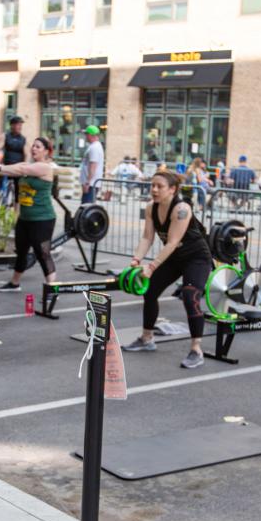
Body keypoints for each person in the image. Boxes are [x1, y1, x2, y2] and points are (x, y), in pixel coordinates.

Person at [122, 170, 214, 369]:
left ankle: (196, 349)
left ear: (172, 189)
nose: (154, 190)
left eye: (159, 186)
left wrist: (152, 266)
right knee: (150, 290)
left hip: (196, 258)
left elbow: (172, 242)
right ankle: (147, 338)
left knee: (190, 296)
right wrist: (136, 260)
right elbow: (148, 237)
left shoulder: (181, 209)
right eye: (152, 185)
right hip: (174, 258)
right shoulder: (150, 207)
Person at [0, 136, 59, 292]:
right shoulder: (28, 165)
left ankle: (53, 289)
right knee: (21, 251)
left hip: (43, 218)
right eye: (33, 146)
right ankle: (15, 283)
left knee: (43, 253)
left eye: (38, 147)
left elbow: (20, 170)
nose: (34, 149)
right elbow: (16, 168)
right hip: (25, 218)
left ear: (46, 152)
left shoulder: (45, 167)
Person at [0, 116, 27, 207]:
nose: (20, 127)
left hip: (18, 168)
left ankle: (16, 216)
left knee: (18, 193)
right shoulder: (5, 136)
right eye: (18, 124)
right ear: (12, 125)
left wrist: (26, 166)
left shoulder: (23, 139)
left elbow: (26, 153)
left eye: (21, 125)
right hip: (6, 166)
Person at [79, 125, 104, 203]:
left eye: (86, 134)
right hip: (91, 184)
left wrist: (87, 182)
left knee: (87, 207)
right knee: (86, 207)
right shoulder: (94, 146)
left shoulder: (95, 148)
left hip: (91, 184)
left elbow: (93, 166)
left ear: (91, 135)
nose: (85, 136)